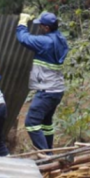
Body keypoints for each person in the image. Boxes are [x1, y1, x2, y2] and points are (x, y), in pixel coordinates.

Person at [15, 11, 69, 152]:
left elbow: (23, 39)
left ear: (46, 28)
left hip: (47, 90)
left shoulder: (46, 42)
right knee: (46, 123)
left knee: (31, 123)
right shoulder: (60, 39)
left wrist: (22, 23)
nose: (39, 28)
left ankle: (46, 157)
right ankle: (49, 152)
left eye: (40, 26)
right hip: (57, 89)